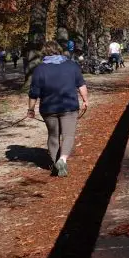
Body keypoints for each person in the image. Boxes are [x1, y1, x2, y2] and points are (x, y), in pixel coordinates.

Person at [28, 41, 88, 177]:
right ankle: (62, 160)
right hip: (69, 106)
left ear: (44, 52)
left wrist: (30, 109)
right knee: (68, 135)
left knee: (53, 135)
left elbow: (34, 92)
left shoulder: (39, 69)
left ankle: (55, 163)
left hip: (48, 108)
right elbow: (81, 85)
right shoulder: (72, 66)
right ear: (59, 50)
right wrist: (85, 100)